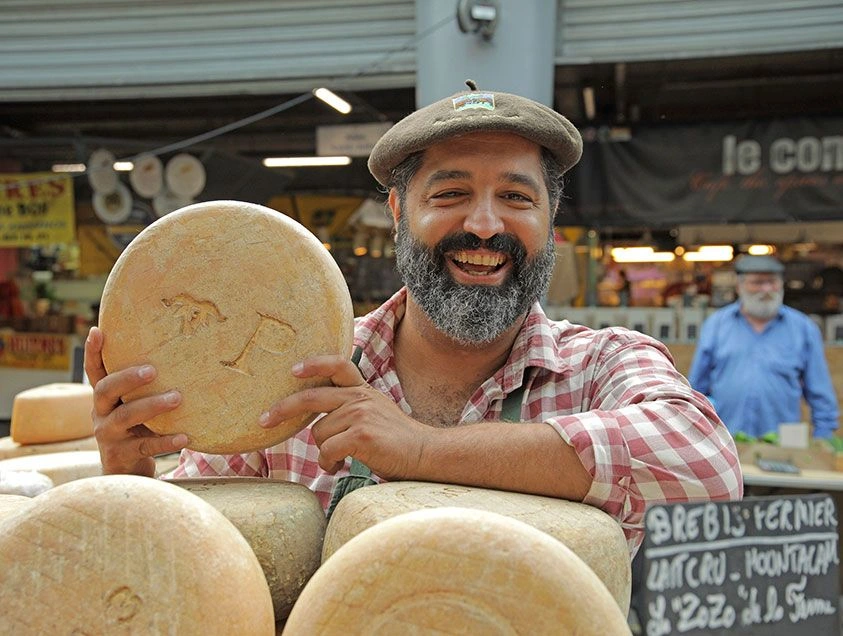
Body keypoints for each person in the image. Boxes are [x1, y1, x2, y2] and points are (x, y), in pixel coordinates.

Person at [85, 81, 742, 557]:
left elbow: (707, 466)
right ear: (399, 212)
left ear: (549, 220)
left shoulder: (601, 365)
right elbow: (196, 560)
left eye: (516, 197)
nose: (483, 224)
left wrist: (420, 450)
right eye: (450, 193)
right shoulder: (289, 373)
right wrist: (134, 484)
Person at [688, 254, 839, 439]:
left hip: (782, 441)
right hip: (726, 439)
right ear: (739, 287)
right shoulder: (716, 325)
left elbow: (820, 391)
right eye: (757, 283)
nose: (766, 289)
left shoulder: (803, 328)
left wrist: (823, 436)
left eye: (772, 282)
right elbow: (697, 388)